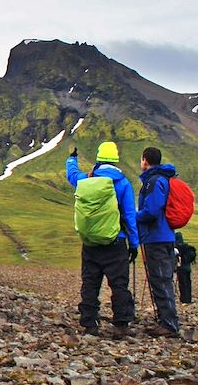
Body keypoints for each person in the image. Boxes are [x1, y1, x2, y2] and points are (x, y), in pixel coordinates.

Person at [67, 141, 139, 339]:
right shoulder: (123, 183)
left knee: (90, 283)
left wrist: (72, 158)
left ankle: (90, 323)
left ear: (98, 159)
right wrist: (134, 243)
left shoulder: (86, 179)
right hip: (116, 242)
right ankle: (121, 325)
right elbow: (130, 215)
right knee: (119, 284)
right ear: (116, 159)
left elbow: (71, 175)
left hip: (90, 243)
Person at [136, 146, 180, 337]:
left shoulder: (153, 181)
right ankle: (165, 319)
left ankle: (169, 324)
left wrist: (133, 216)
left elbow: (152, 211)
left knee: (161, 280)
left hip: (156, 237)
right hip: (165, 235)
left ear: (145, 160)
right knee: (162, 279)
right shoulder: (162, 178)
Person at [175, 232, 195, 304]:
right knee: (188, 282)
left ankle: (184, 299)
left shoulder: (177, 248)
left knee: (182, 283)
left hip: (181, 267)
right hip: (188, 267)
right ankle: (188, 299)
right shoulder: (186, 246)